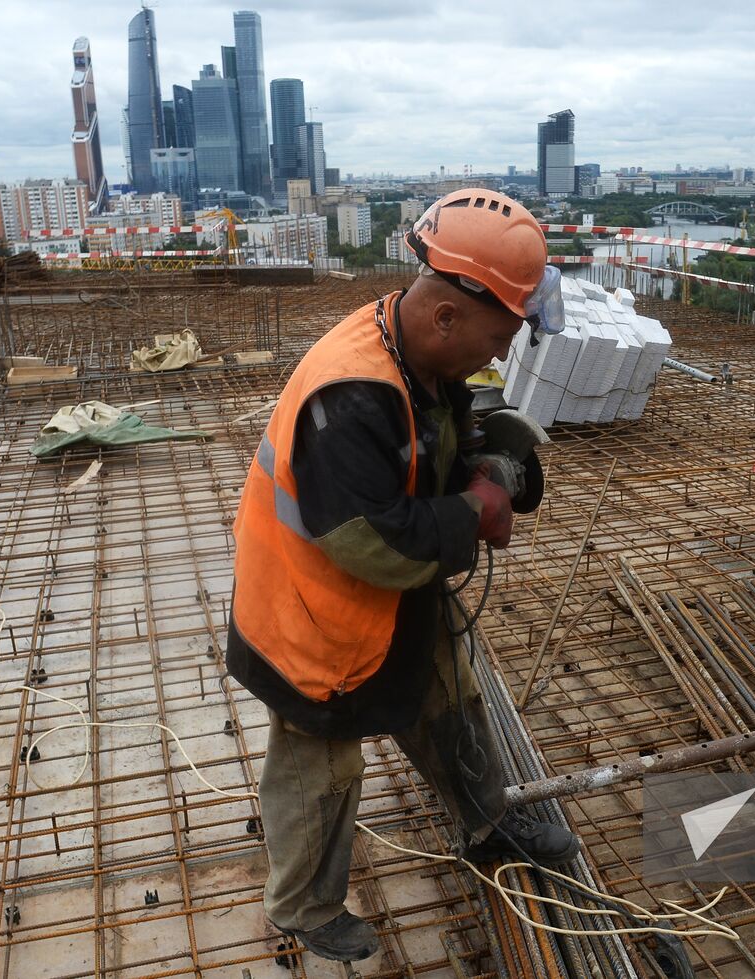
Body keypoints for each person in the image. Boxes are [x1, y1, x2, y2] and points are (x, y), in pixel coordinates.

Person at [227, 189, 578, 963]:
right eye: (498, 339)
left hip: (387, 596)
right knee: (321, 768)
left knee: (449, 696)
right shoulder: (349, 394)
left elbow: (441, 434)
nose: (498, 357)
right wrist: (473, 513)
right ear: (448, 316)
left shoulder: (418, 349)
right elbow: (368, 538)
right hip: (311, 617)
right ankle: (303, 906)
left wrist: (488, 459)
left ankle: (487, 822)